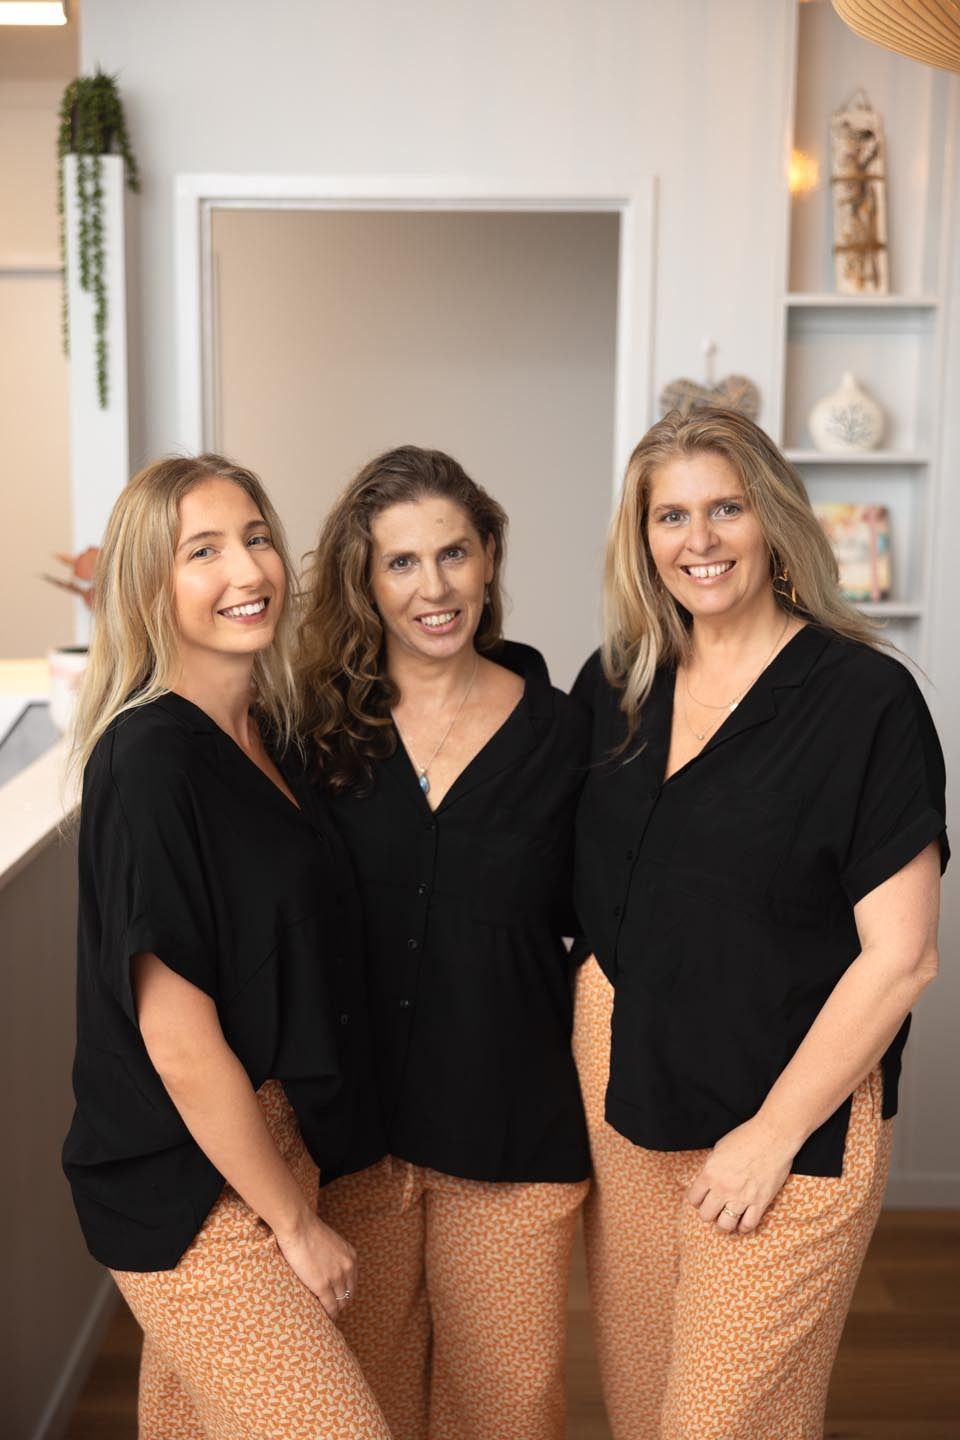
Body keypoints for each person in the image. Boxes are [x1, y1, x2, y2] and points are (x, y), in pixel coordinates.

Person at [571, 407, 948, 1440]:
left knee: (720, 1425)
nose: (700, 540)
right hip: (629, 1101)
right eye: (672, 515)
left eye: (727, 508)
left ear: (773, 519)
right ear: (641, 539)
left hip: (790, 1116)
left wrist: (772, 1135)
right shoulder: (615, 686)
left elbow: (904, 958)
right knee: (646, 1413)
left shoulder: (865, 701)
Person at [62, 454, 390, 1440]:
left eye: (254, 538)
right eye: (201, 551)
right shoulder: (149, 756)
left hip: (277, 1144)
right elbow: (174, 1032)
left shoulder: (271, 735)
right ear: (149, 586)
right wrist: (290, 1223)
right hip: (190, 1183)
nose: (246, 571)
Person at [297, 445, 590, 1440]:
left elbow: (620, 922)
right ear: (366, 582)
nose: (437, 587)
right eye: (404, 563)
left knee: (508, 1410)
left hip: (512, 1138)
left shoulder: (567, 735)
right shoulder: (313, 740)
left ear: (492, 555)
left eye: (455, 553)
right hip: (351, 1151)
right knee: (362, 1406)